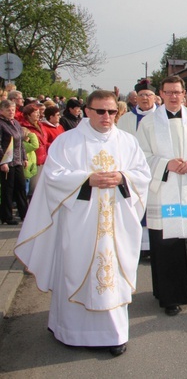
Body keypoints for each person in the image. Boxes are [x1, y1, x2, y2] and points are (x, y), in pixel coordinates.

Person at [14, 90, 150, 357]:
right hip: (79, 222)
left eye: (112, 112)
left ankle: (114, 334)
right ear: (87, 111)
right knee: (75, 271)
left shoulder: (127, 142)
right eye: (101, 111)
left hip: (116, 223)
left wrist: (122, 177)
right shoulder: (67, 141)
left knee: (112, 275)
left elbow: (142, 174)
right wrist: (87, 180)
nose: (107, 117)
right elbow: (53, 177)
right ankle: (69, 330)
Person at [136, 76, 187, 317]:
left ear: (184, 94)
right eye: (169, 92)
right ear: (160, 94)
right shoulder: (149, 123)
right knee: (167, 243)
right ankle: (169, 294)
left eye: (178, 92)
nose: (174, 96)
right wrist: (165, 164)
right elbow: (140, 155)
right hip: (164, 190)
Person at [0, 100, 28, 225]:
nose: (11, 112)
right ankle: (6, 216)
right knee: (8, 190)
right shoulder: (1, 124)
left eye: (12, 109)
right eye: (8, 110)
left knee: (21, 187)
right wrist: (2, 162)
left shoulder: (16, 123)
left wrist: (25, 158)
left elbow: (21, 142)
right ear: (2, 111)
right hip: (7, 161)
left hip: (17, 160)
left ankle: (25, 214)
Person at [19, 102, 49, 199]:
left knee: (39, 186)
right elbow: (30, 144)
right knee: (32, 187)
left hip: (43, 157)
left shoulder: (39, 125)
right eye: (35, 112)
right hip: (32, 159)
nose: (38, 114)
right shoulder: (24, 127)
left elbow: (44, 141)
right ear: (28, 114)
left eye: (38, 112)